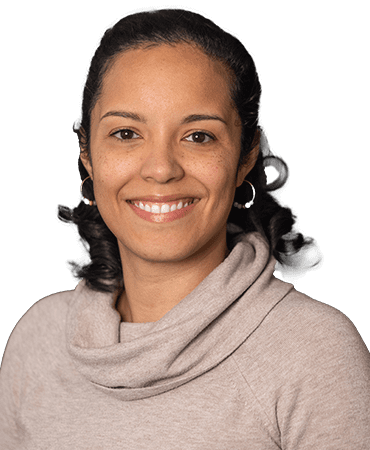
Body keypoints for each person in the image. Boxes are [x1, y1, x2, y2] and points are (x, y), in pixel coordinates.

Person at [0, 7, 369, 449]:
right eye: (125, 133)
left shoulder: (315, 352)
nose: (160, 169)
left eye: (198, 136)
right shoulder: (36, 340)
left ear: (244, 157)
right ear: (87, 153)